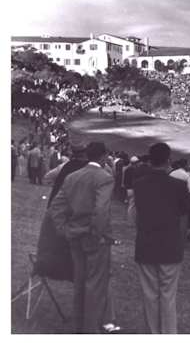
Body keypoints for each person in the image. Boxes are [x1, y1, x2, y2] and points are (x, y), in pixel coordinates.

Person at [49, 141, 115, 333]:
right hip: (94, 238)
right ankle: (90, 330)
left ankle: (80, 327)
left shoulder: (72, 176)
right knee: (95, 285)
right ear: (103, 157)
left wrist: (64, 230)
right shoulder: (104, 177)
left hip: (74, 235)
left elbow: (56, 206)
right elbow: (101, 210)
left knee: (80, 282)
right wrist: (96, 234)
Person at [132, 142, 190, 334]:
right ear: (168, 160)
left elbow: (135, 217)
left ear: (150, 160)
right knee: (167, 296)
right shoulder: (179, 185)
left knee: (150, 296)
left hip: (146, 244)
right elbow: (183, 218)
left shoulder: (139, 185)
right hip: (170, 245)